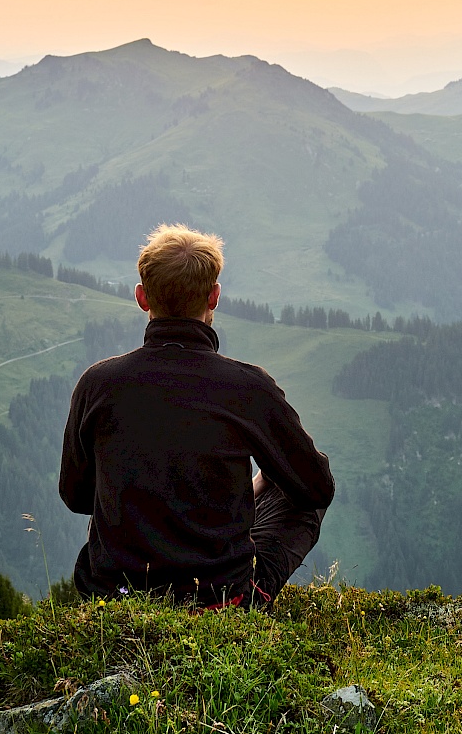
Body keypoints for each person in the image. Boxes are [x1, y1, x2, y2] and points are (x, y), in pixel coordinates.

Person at [59, 223, 335, 608]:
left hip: (113, 595)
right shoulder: (248, 387)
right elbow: (317, 488)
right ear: (214, 296)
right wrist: (268, 476)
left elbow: (75, 496)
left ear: (142, 297)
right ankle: (240, 597)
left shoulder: (98, 384)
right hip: (219, 598)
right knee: (304, 491)